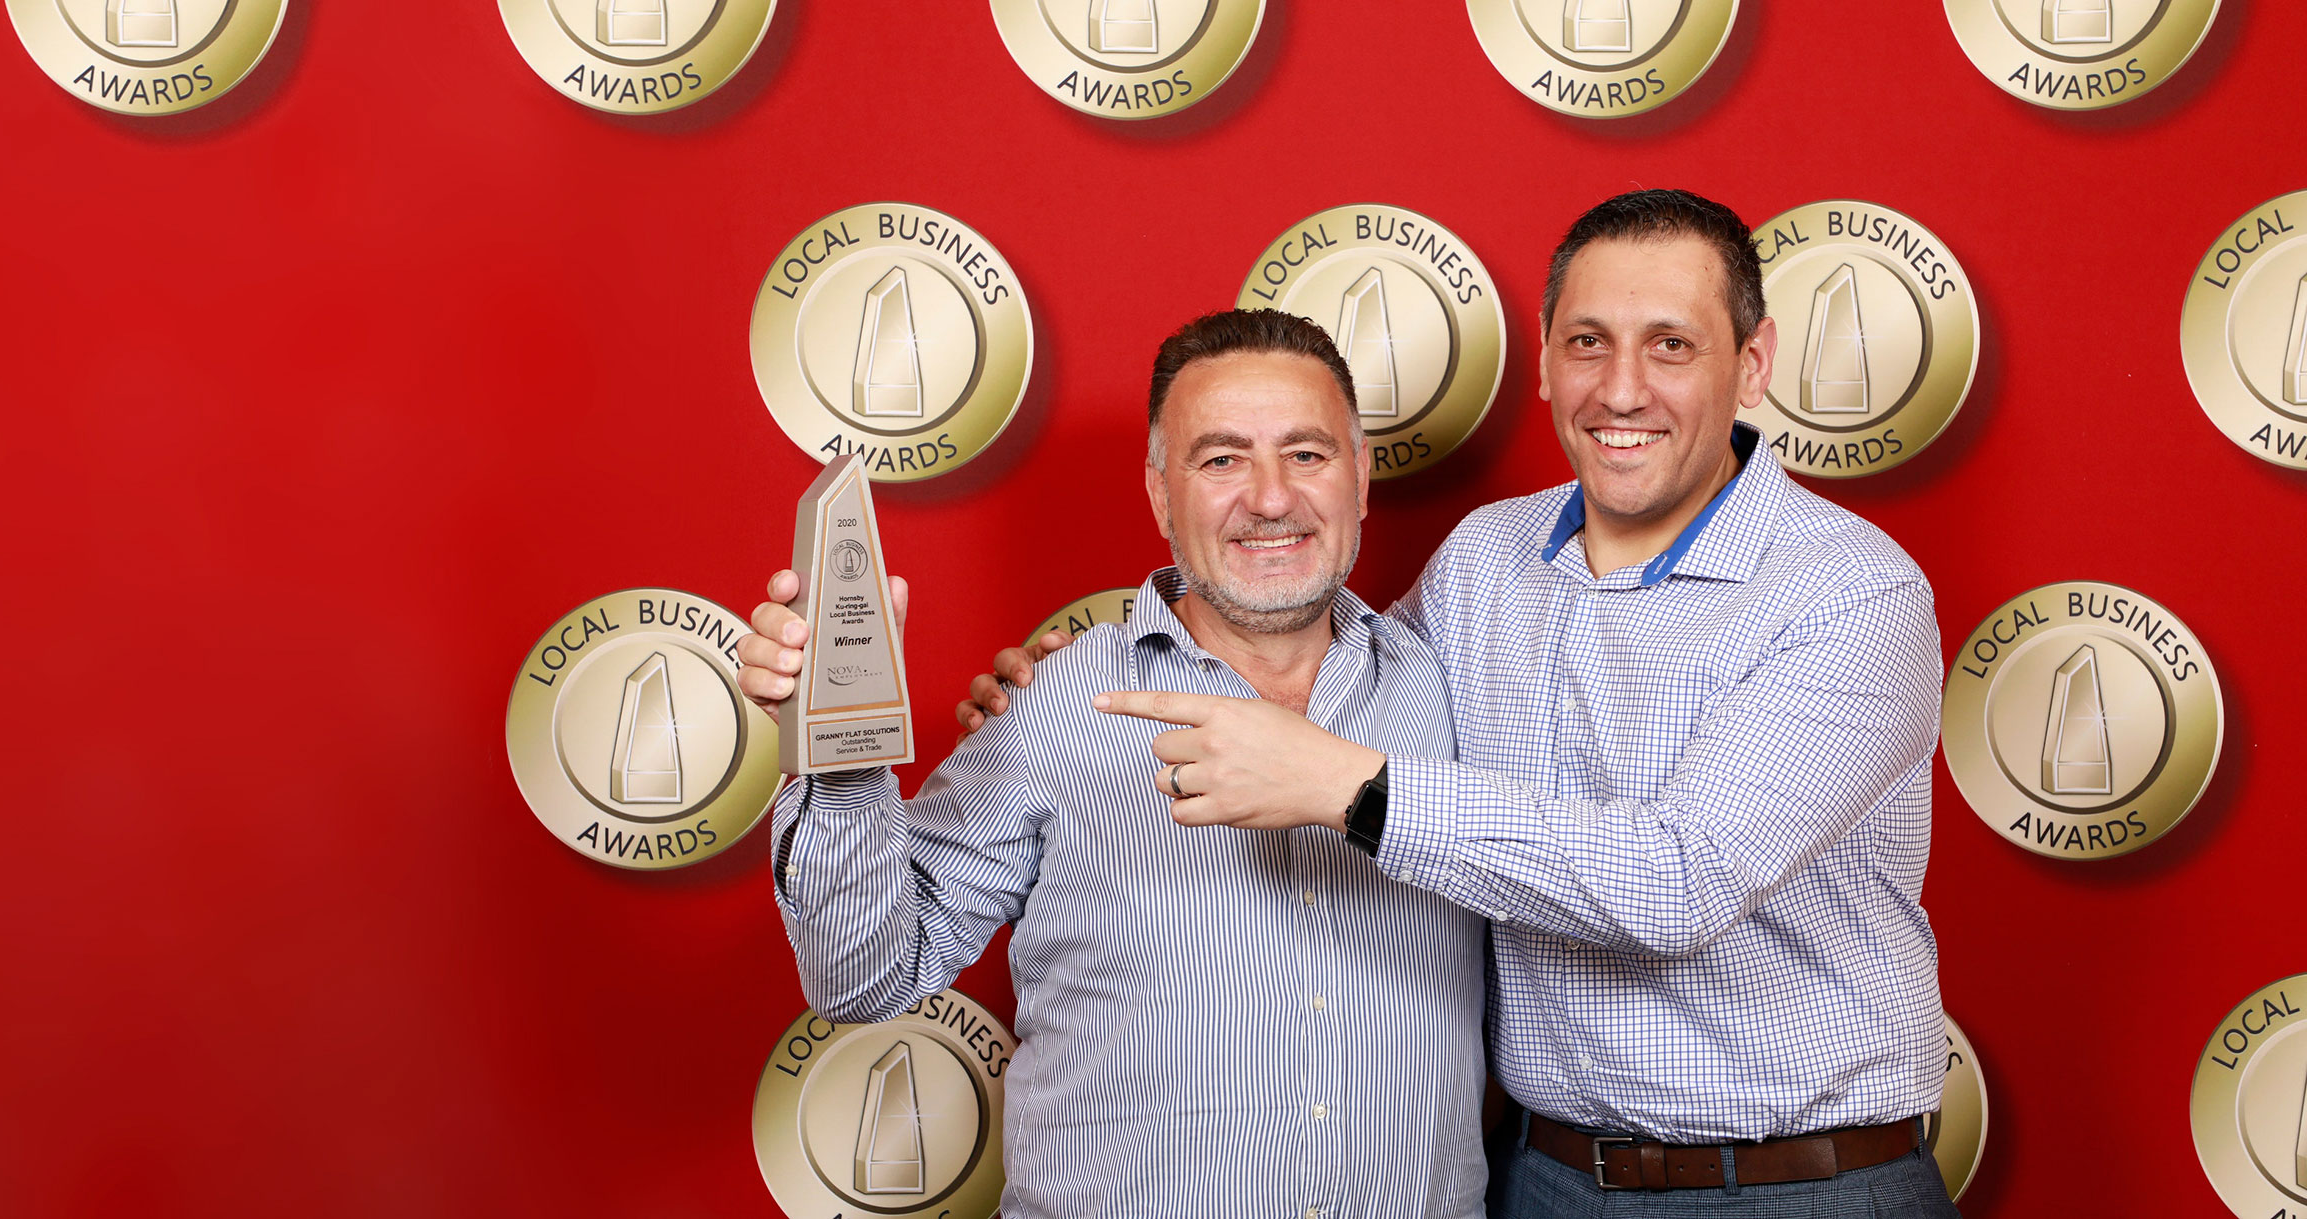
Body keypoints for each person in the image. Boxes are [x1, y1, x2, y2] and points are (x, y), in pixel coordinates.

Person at [967, 190, 1958, 1216]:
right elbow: (1326, 671)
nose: (1621, 388)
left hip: (1797, 1183)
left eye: (1670, 345)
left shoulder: (1848, 590)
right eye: (1587, 342)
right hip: (1546, 1178)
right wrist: (1072, 676)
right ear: (1540, 359)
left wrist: (1345, 786)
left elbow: (1678, 883)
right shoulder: (1483, 561)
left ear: (1750, 364)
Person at [738, 310, 1491, 1219]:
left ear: (1362, 477)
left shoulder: (1459, 692)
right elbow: (865, 979)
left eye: (1306, 454)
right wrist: (838, 743)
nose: (1269, 497)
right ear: (1160, 493)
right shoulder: (1052, 708)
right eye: (1220, 459)